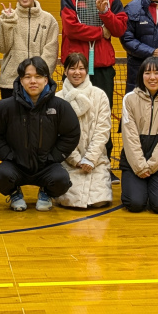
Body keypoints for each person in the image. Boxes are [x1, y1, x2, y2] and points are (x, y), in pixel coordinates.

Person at [0, 56, 80, 212]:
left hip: (47, 167)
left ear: (46, 80)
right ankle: (14, 193)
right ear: (21, 80)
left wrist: (54, 157)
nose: (33, 81)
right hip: (16, 166)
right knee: (0, 176)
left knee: (61, 180)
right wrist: (8, 155)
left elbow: (71, 134)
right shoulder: (4, 106)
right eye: (27, 77)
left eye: (38, 76)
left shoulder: (60, 106)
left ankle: (46, 193)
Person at [60, 0, 128, 118]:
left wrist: (105, 12)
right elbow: (71, 28)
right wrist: (101, 32)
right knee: (72, 117)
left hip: (103, 69)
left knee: (101, 116)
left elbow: (120, 28)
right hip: (76, 68)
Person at [120, 56, 158, 214]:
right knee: (135, 204)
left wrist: (152, 166)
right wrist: (140, 167)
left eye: (157, 73)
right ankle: (139, 188)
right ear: (141, 75)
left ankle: (154, 186)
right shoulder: (129, 99)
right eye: (147, 73)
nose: (152, 77)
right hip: (134, 162)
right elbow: (129, 136)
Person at [55, 52, 113, 208]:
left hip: (96, 161)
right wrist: (76, 160)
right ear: (65, 71)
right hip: (69, 161)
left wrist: (90, 159)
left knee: (99, 201)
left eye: (81, 68)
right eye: (72, 68)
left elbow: (103, 130)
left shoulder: (100, 95)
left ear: (87, 71)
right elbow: (58, 135)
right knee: (69, 201)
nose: (77, 72)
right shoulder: (58, 99)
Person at [0, 0, 59, 100]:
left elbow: (51, 52)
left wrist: (38, 76)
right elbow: (2, 47)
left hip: (38, 85)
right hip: (10, 83)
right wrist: (7, 23)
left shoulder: (49, 20)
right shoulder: (8, 17)